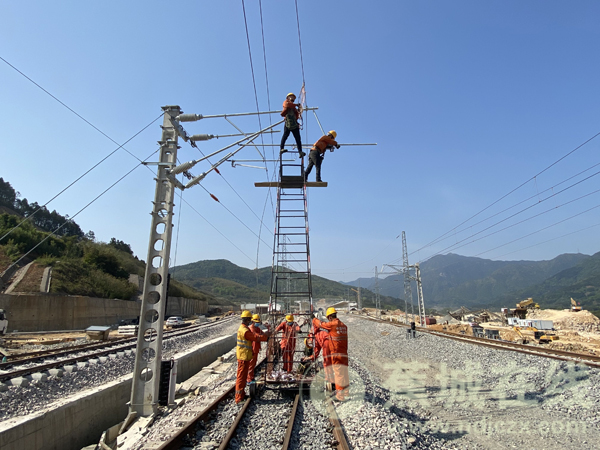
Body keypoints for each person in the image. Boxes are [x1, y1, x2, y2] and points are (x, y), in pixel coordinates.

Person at [312, 307, 349, 401]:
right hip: (344, 353)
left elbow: (321, 324)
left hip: (336, 353)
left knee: (338, 374)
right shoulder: (344, 326)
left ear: (329, 317)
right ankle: (346, 392)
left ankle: (340, 396)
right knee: (344, 373)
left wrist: (314, 319)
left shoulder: (333, 324)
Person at [236, 310, 270, 403]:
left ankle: (241, 395)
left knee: (242, 376)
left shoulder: (243, 328)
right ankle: (239, 398)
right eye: (249, 320)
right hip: (243, 356)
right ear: (247, 320)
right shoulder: (245, 331)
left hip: (244, 355)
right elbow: (254, 337)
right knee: (241, 377)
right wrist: (265, 337)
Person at [280, 93, 306, 158]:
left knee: (298, 138)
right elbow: (287, 105)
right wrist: (296, 105)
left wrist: (299, 110)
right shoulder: (286, 102)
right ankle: (281, 148)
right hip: (288, 122)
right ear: (288, 97)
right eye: (292, 97)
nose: (293, 98)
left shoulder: (294, 107)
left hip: (294, 123)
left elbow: (297, 115)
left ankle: (300, 152)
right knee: (285, 135)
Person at [311, 319, 334, 390]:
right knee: (330, 362)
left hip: (327, 343)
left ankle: (329, 380)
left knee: (327, 362)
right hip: (330, 343)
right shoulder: (317, 334)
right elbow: (316, 351)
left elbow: (316, 349)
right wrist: (311, 357)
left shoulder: (315, 335)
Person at [247, 314, 266, 383]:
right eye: (257, 322)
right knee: (251, 364)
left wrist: (266, 334)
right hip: (252, 349)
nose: (258, 323)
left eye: (258, 322)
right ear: (253, 322)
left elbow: (262, 333)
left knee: (253, 363)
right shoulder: (251, 328)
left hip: (256, 348)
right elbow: (257, 336)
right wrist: (265, 337)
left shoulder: (257, 328)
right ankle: (249, 379)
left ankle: (251, 376)